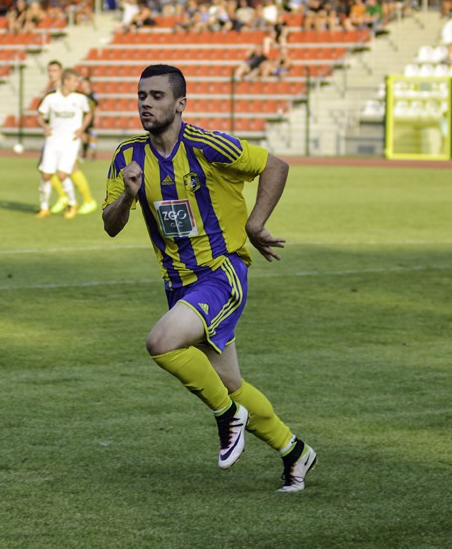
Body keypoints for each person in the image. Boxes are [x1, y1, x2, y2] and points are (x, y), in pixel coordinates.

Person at [102, 64, 315, 493]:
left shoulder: (206, 145)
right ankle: (294, 451)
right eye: (141, 95)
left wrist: (256, 225)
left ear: (180, 104)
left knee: (161, 343)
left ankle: (226, 416)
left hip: (222, 273)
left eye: (157, 96)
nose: (146, 103)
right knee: (231, 383)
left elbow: (276, 166)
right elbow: (110, 224)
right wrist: (127, 196)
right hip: (178, 284)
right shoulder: (127, 156)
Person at [35, 69, 93, 219]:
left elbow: (89, 114)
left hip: (71, 141)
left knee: (62, 174)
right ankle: (44, 207)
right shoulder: (51, 99)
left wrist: (82, 129)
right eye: (74, 81)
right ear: (66, 81)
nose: (76, 84)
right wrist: (45, 127)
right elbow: (40, 116)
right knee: (46, 175)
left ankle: (72, 204)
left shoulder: (80, 99)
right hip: (53, 140)